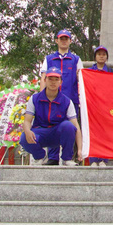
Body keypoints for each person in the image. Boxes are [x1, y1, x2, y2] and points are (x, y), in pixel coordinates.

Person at [20, 66, 82, 166]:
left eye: (56, 79)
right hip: (40, 133)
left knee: (69, 126)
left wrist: (79, 149)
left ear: (61, 82)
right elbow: (27, 121)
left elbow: (76, 127)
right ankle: (39, 157)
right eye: (50, 79)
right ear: (45, 80)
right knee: (23, 137)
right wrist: (27, 131)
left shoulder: (67, 101)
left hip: (57, 134)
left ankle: (67, 159)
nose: (53, 82)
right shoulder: (35, 98)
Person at [39, 29, 83, 165]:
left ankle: (68, 157)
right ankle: (52, 157)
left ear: (70, 41)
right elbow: (43, 78)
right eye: (61, 38)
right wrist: (42, 97)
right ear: (56, 40)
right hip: (52, 100)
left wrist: (81, 98)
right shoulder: (49, 59)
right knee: (52, 126)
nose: (64, 41)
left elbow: (81, 79)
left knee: (70, 128)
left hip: (71, 99)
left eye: (66, 38)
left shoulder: (76, 59)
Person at [86, 46, 113, 167]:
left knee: (105, 132)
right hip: (93, 104)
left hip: (106, 105)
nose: (101, 56)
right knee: (93, 132)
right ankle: (93, 159)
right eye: (99, 54)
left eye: (104, 54)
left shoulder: (111, 72)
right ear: (95, 57)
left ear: (107, 57)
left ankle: (103, 159)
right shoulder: (89, 72)